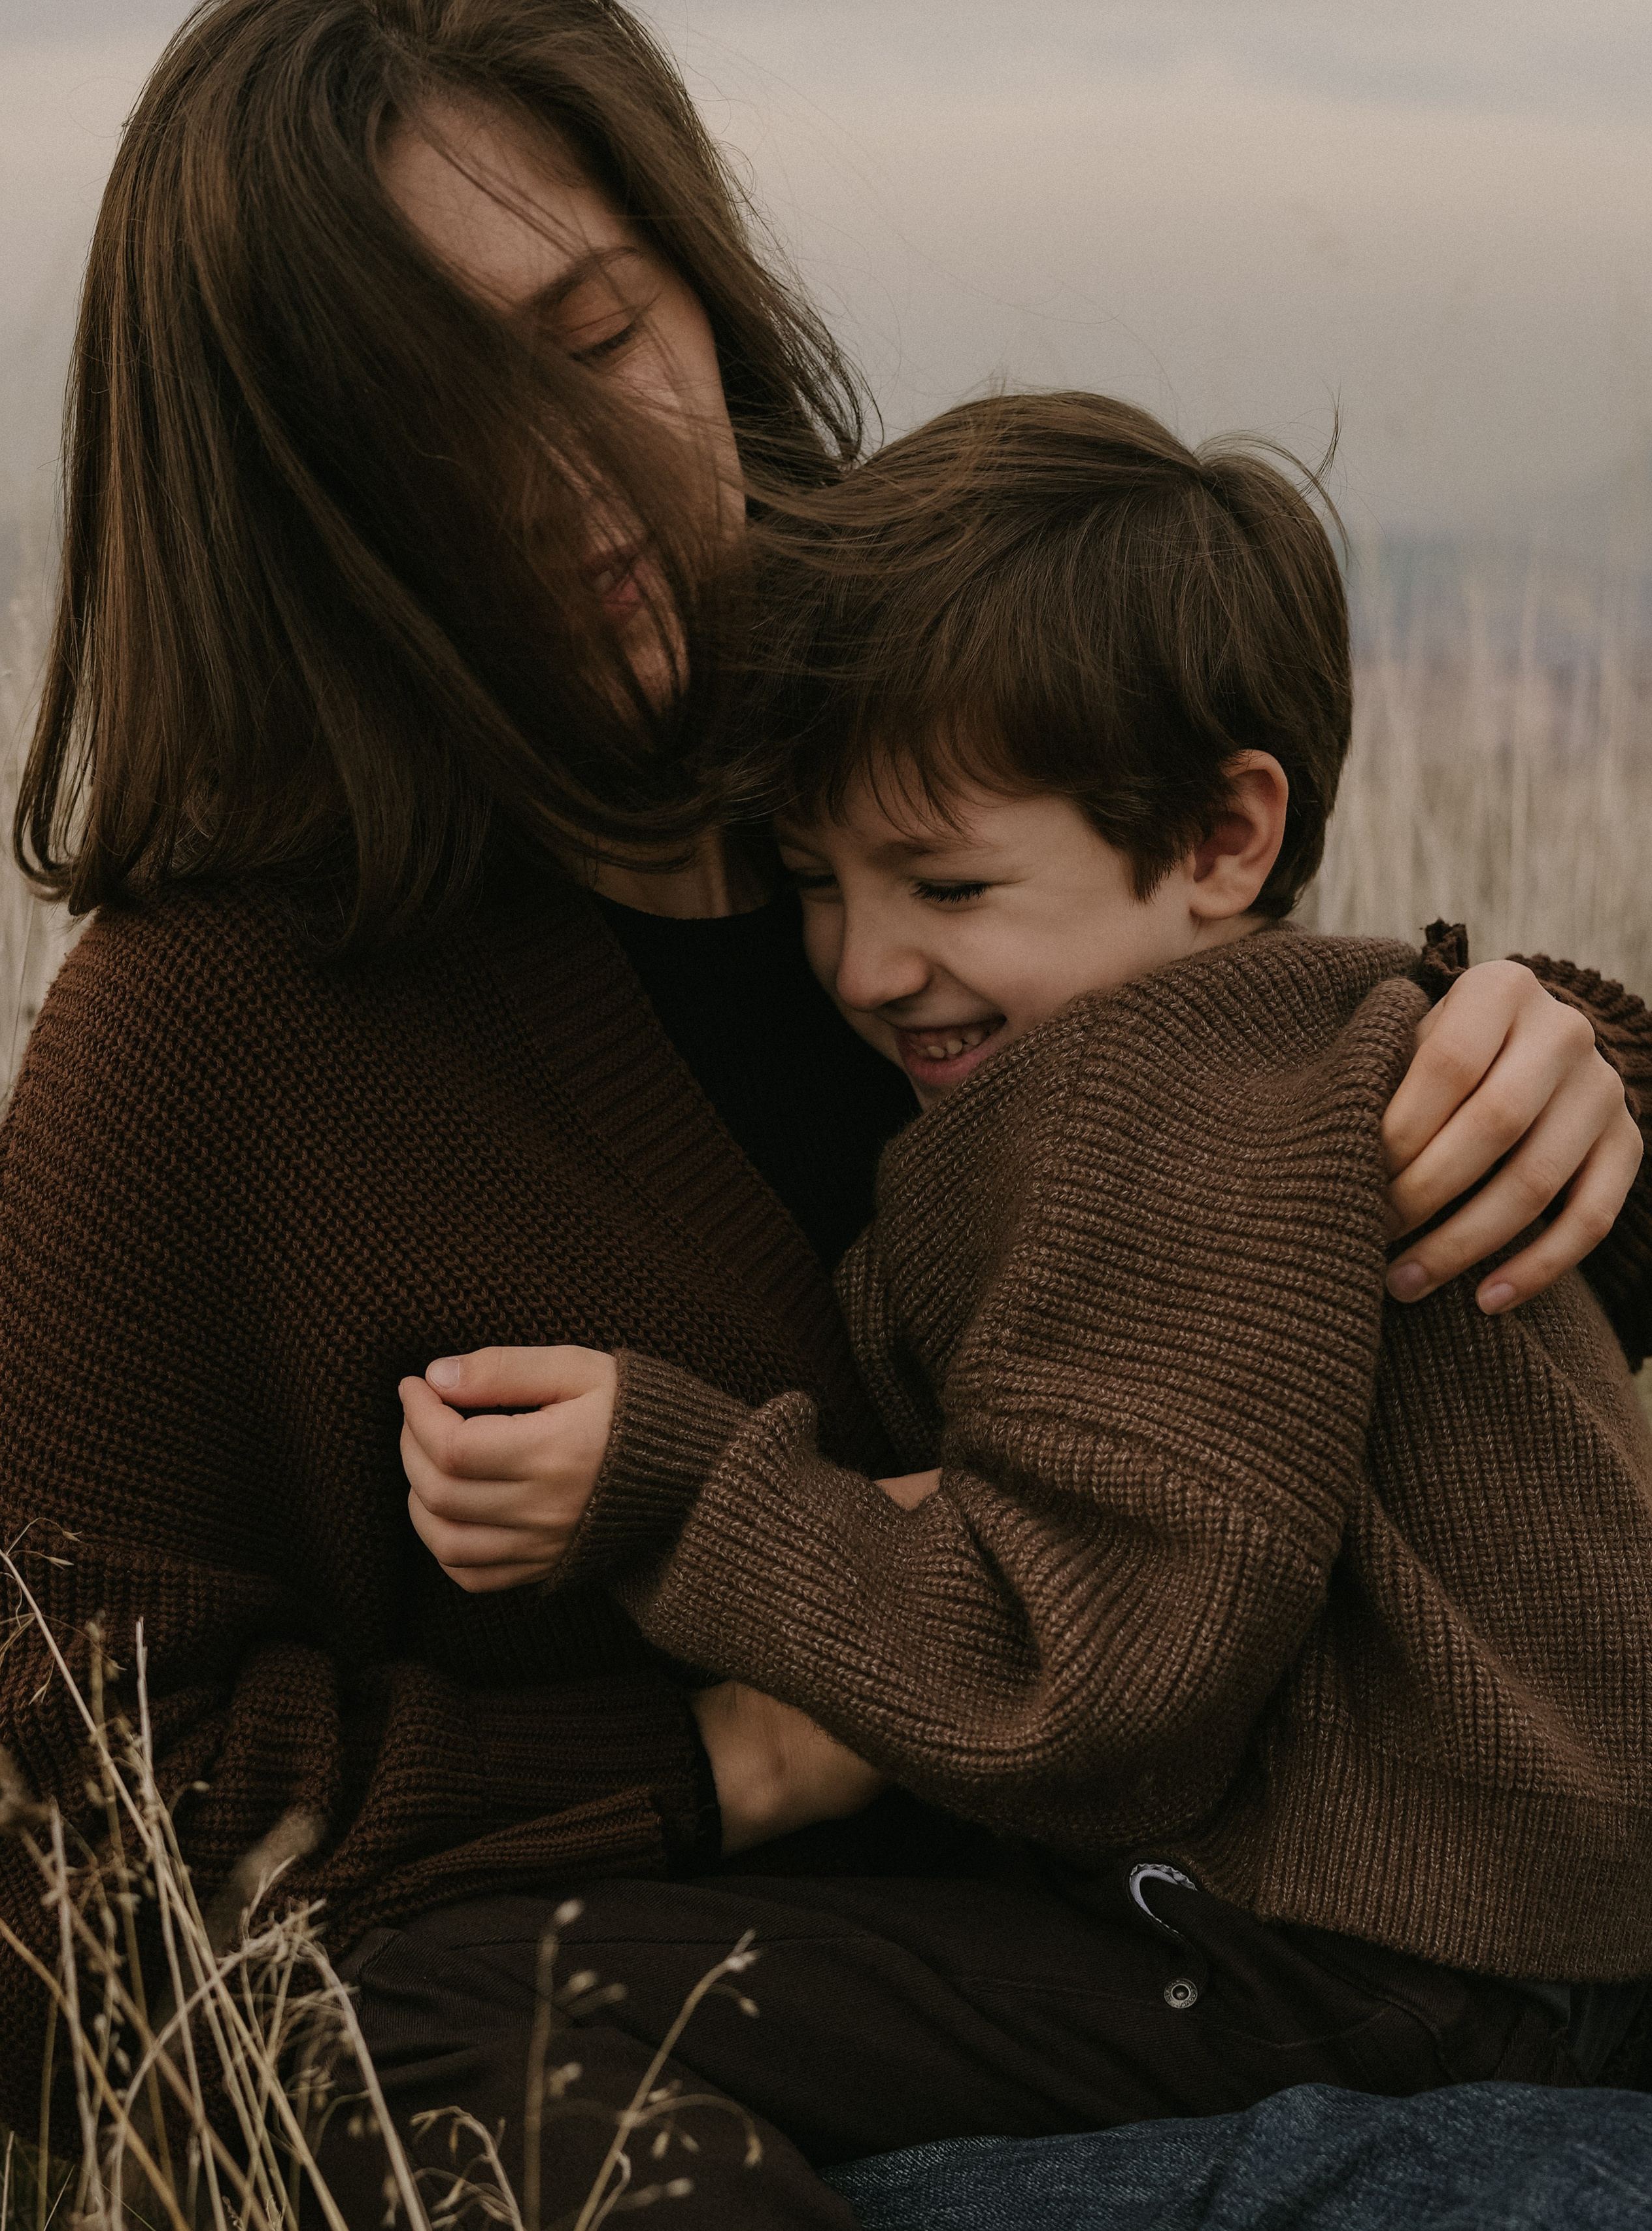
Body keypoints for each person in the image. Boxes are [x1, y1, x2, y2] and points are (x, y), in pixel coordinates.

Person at [0, 3, 1645, 2224]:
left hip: (1312, 1969)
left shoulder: (903, 713)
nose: (568, 492)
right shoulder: (215, 1030)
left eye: (601, 335)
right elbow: (48, 1861)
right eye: (431, 430)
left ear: (703, 282)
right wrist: (722, 1755)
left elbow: (1272, 1051)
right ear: (274, 498)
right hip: (800, 2101)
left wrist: (1576, 1065)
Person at [399, 390, 1652, 2182]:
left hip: (1345, 1965)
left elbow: (1084, 1692)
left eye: (951, 883)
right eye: (818, 882)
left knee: (482, 2005)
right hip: (1491, 1942)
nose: (866, 963)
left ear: (1225, 836)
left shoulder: (1159, 1108)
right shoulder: (1313, 1036)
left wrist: (670, 1485)